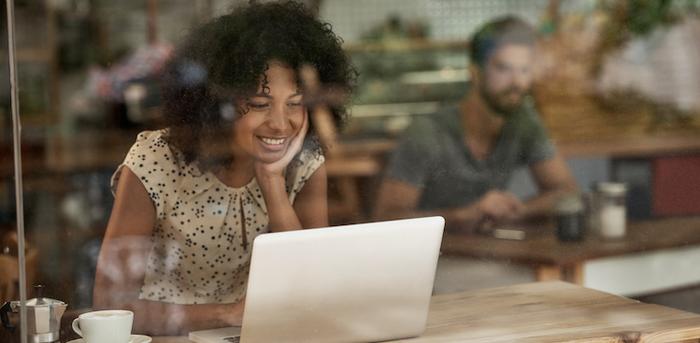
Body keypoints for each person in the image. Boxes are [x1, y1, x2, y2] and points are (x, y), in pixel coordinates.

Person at [93, 1, 355, 335]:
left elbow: (314, 288)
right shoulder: (155, 160)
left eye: (295, 104)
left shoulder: (303, 164)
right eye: (259, 104)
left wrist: (273, 184)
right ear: (217, 107)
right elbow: (110, 304)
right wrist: (230, 314)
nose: (279, 123)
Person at [374, 16, 577, 232]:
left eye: (525, 70)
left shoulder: (523, 121)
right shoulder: (426, 133)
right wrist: (463, 216)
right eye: (503, 69)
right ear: (475, 72)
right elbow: (387, 218)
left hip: (491, 255)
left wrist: (520, 209)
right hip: (434, 258)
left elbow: (568, 192)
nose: (517, 82)